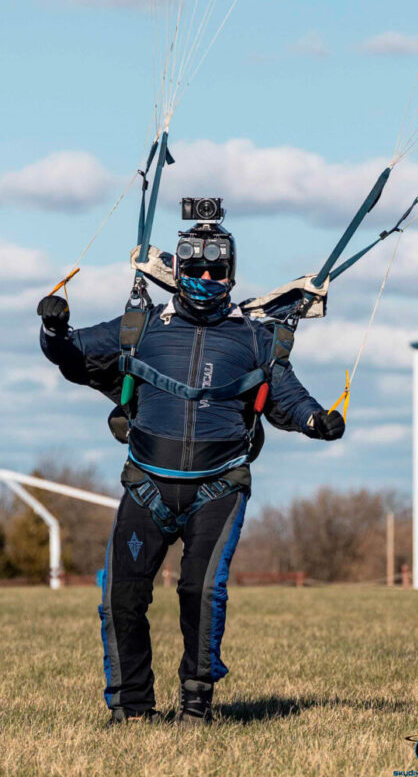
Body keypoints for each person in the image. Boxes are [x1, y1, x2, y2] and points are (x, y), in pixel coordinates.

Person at [37, 214, 344, 726]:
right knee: (121, 598)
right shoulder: (141, 328)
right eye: (196, 270)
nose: (205, 280)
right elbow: (71, 358)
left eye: (217, 272)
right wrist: (53, 328)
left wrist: (316, 420)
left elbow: (286, 396)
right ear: (178, 270)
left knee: (201, 592)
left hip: (218, 488)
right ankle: (131, 709)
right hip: (147, 487)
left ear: (231, 276)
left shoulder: (254, 337)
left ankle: (196, 704)